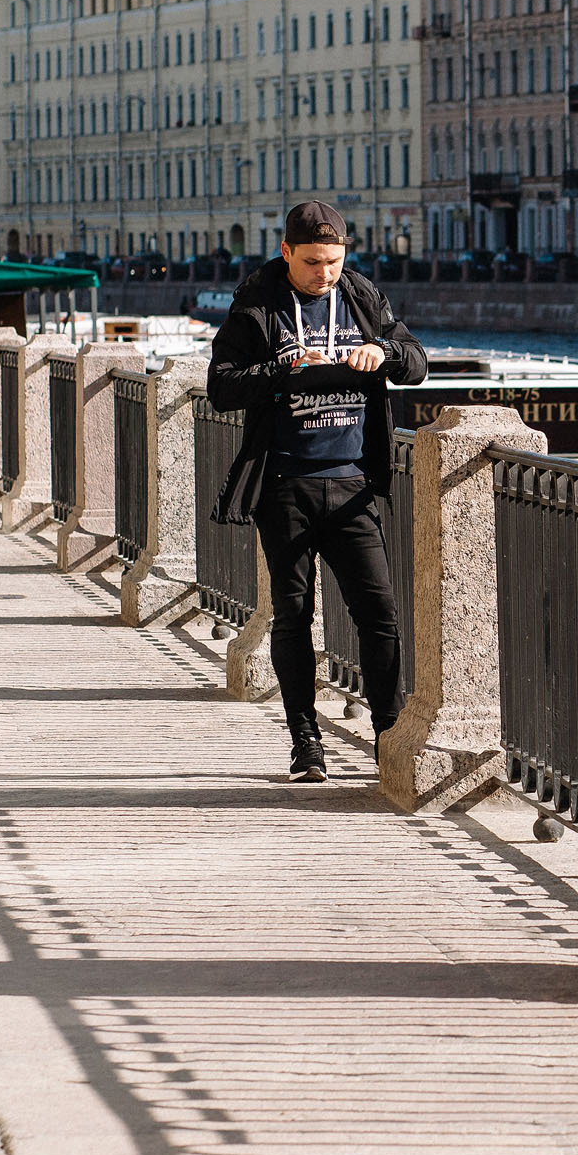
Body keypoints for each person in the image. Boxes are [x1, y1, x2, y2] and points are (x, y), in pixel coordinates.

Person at [206, 200, 428, 782]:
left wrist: (384, 351)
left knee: (379, 614)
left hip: (352, 484)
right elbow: (221, 388)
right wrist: (284, 371)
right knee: (293, 614)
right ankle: (306, 741)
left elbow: (417, 362)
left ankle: (387, 737)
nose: (323, 274)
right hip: (285, 486)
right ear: (286, 253)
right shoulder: (258, 304)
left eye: (333, 261)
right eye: (311, 263)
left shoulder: (359, 296)